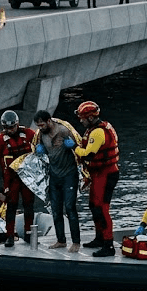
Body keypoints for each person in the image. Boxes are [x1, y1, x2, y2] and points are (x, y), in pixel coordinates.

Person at [72, 101, 120, 257]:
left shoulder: (98, 132)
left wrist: (73, 147)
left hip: (106, 174)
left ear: (91, 118)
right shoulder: (93, 129)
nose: (80, 121)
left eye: (83, 118)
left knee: (102, 208)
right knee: (93, 205)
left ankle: (108, 244)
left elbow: (88, 154)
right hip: (98, 174)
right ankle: (99, 238)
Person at [33, 109, 83, 252]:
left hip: (69, 174)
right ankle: (61, 240)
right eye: (38, 126)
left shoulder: (63, 130)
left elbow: (80, 148)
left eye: (42, 125)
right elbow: (35, 153)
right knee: (55, 210)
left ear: (49, 121)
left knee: (70, 208)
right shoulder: (41, 135)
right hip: (54, 176)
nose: (40, 128)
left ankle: (76, 242)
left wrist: (72, 146)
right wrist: (38, 151)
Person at [0, 110, 36, 247]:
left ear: (17, 124)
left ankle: (28, 233)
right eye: (6, 128)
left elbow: (41, 145)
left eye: (12, 127)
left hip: (28, 177)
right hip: (11, 179)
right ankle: (9, 236)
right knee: (11, 207)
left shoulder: (29, 134)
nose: (9, 130)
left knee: (29, 205)